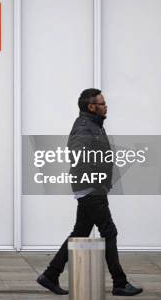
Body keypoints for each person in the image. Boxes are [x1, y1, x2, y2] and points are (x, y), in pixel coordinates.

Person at [36, 88, 143, 296]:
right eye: (102, 103)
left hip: (93, 187)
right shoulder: (84, 128)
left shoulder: (94, 125)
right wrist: (97, 182)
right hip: (91, 188)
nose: (106, 106)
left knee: (80, 232)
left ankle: (50, 275)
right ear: (91, 106)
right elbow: (80, 157)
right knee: (109, 231)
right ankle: (119, 283)